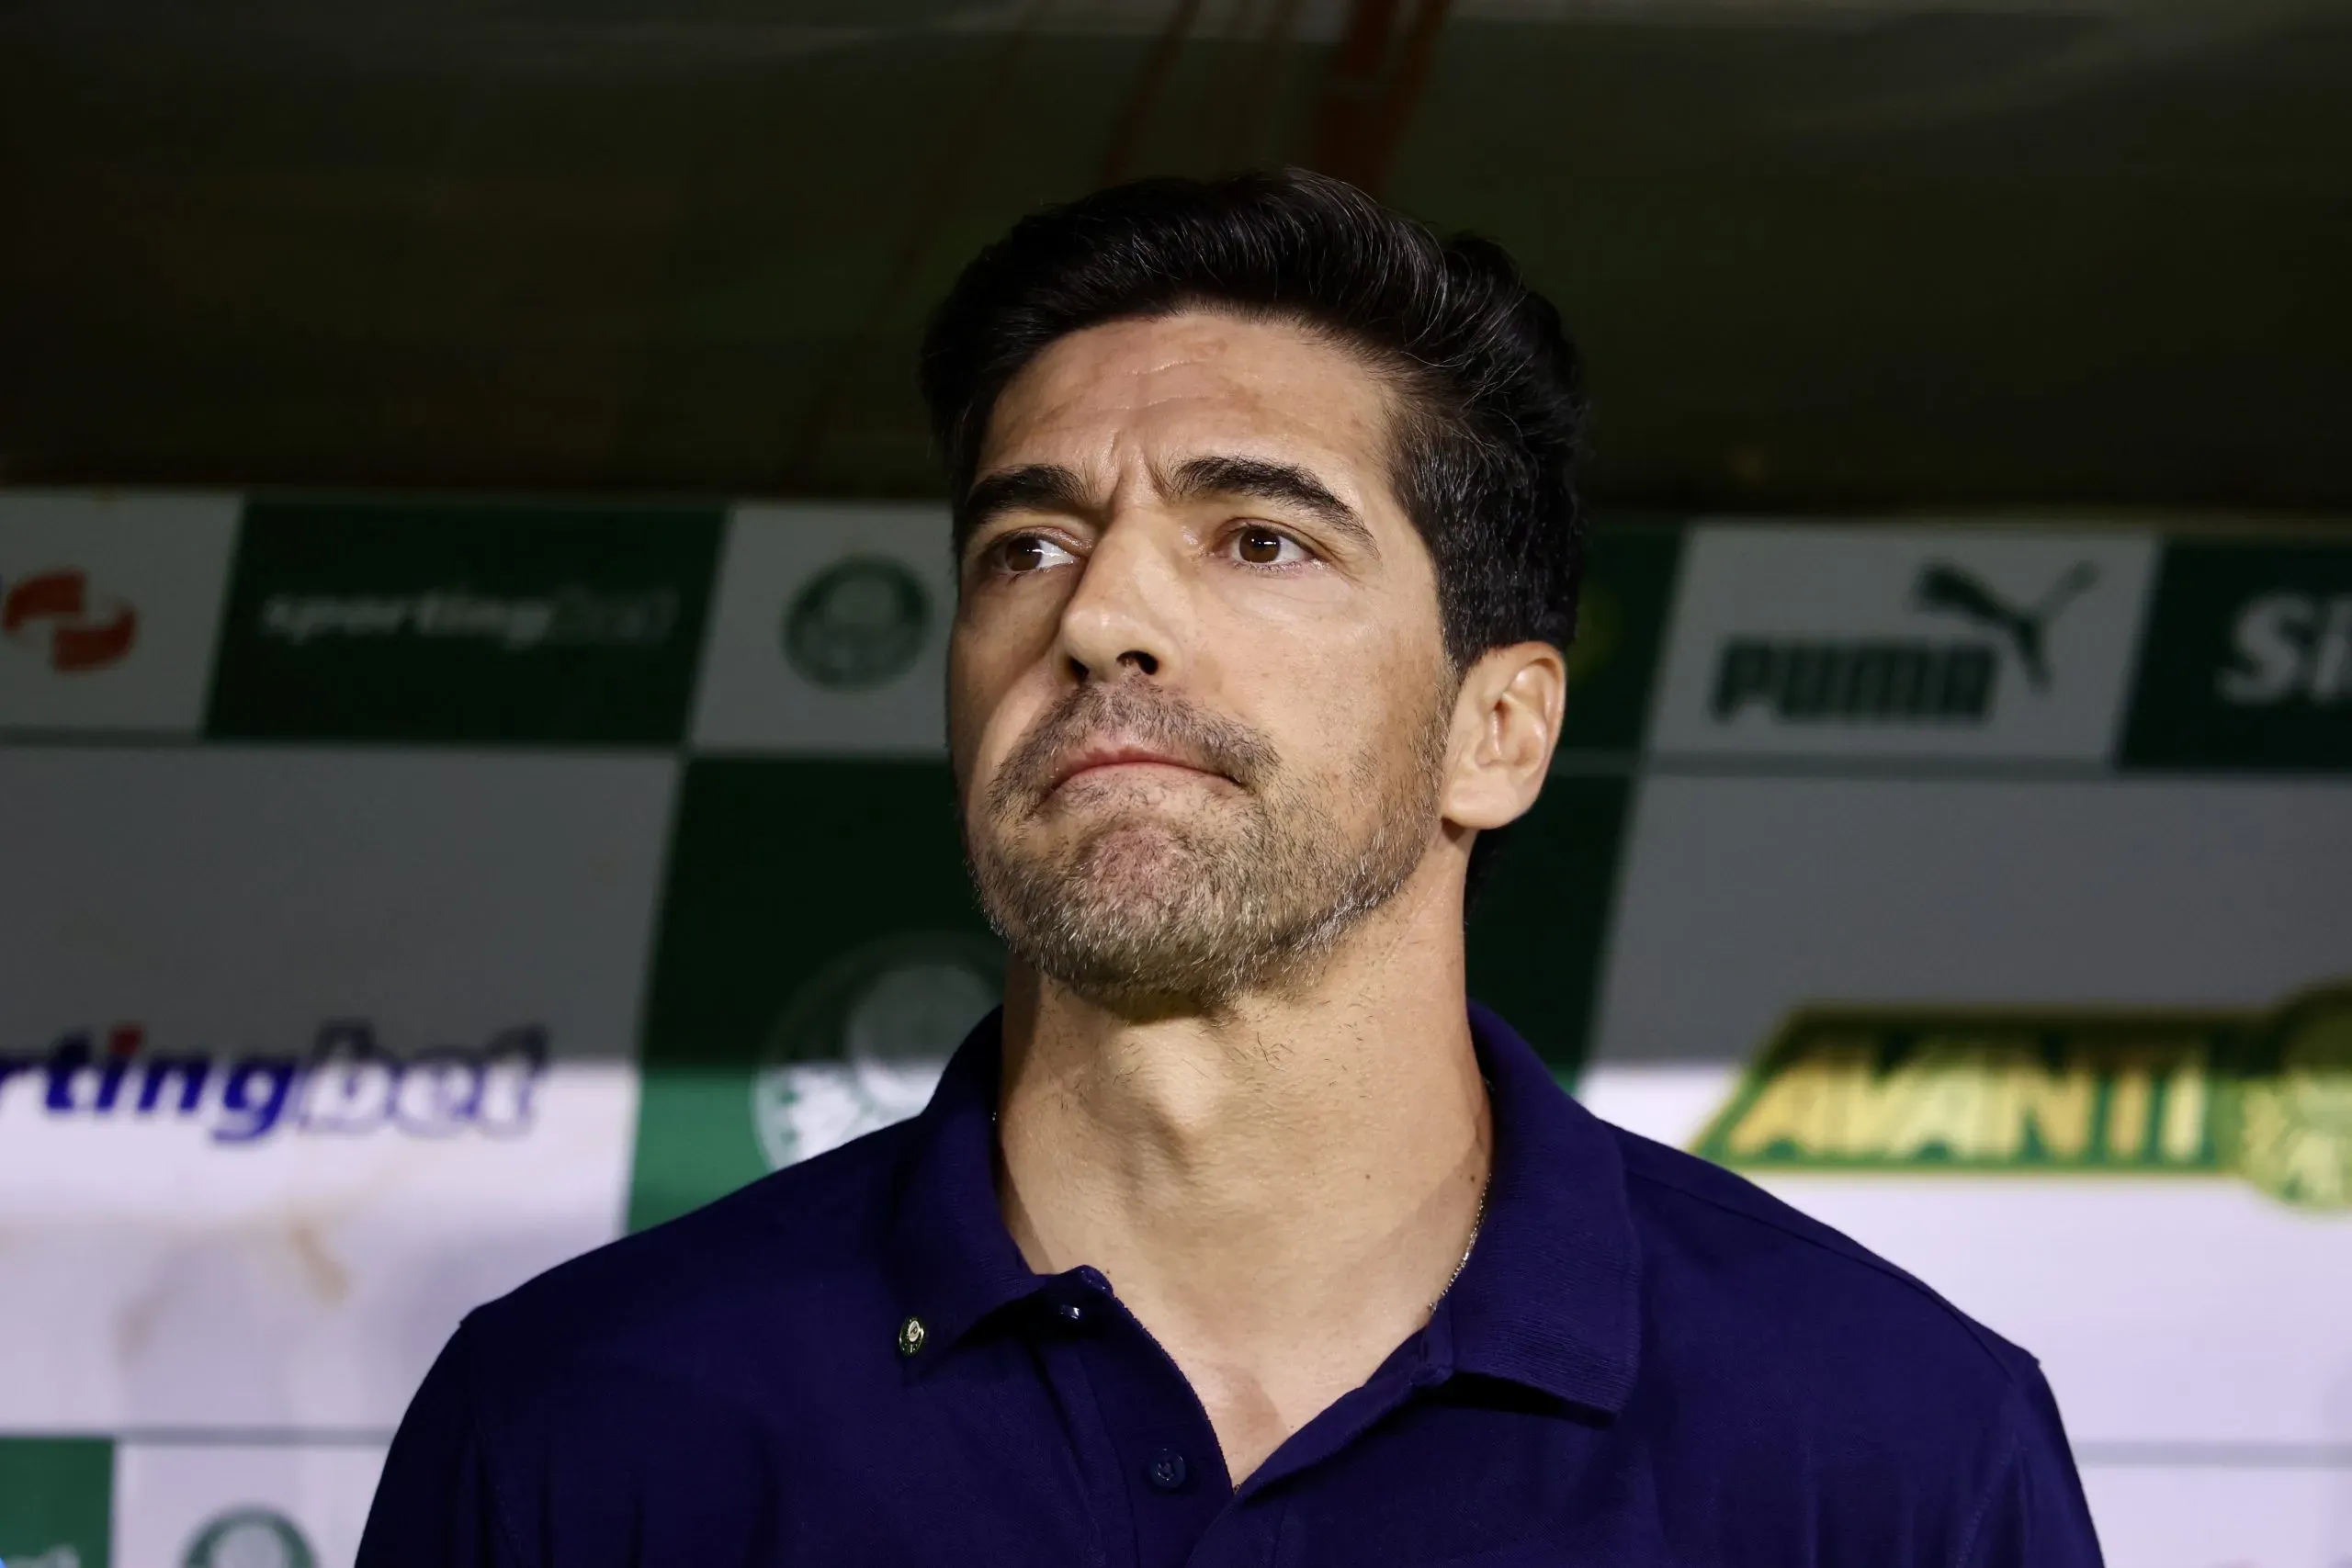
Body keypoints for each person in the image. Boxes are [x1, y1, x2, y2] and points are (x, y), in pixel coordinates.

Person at [359, 168, 2103, 1566]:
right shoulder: (585, 1418)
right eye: (1026, 542)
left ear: (1500, 728)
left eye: (1258, 537)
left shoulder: (1883, 1443)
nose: (1099, 612)